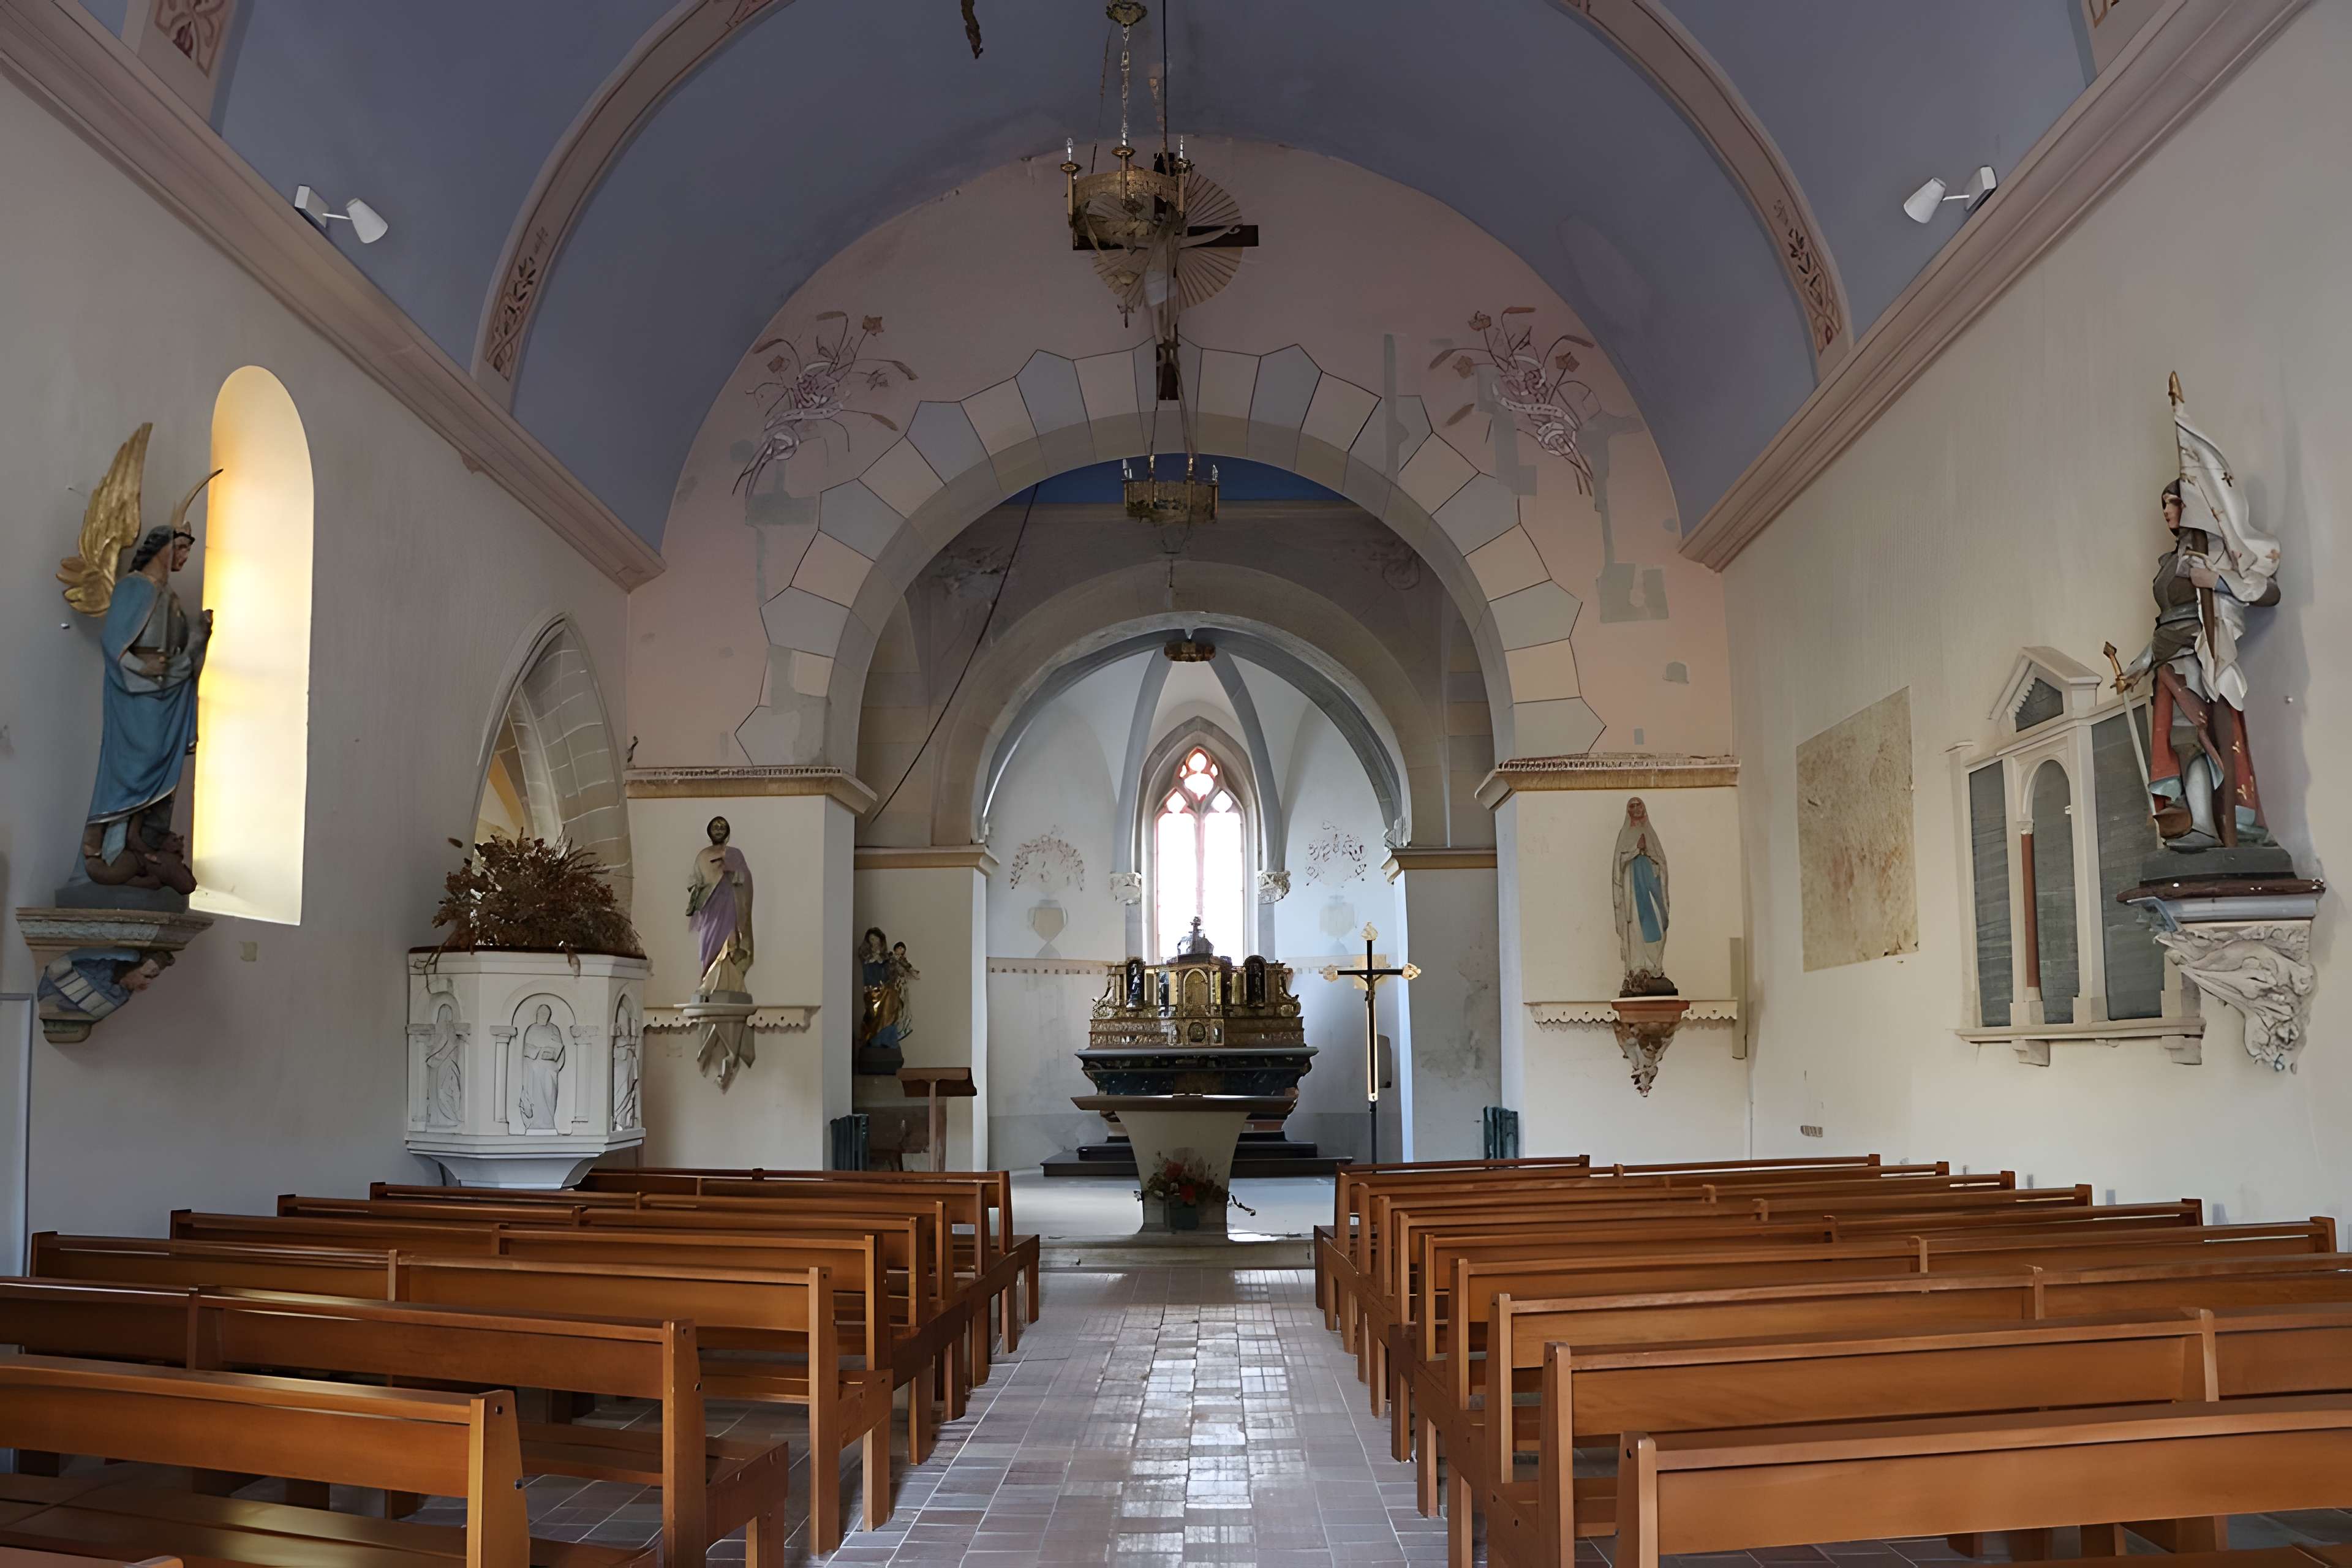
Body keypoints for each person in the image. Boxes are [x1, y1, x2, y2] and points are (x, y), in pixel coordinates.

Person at [2116, 389, 2281, 850]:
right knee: (2173, 743)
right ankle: (2190, 820)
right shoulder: (2168, 563)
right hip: (2168, 660)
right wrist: (2139, 663)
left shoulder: (2210, 555)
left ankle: (2207, 824)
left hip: (2200, 653)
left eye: (2172, 502)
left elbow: (2268, 590)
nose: (2167, 511)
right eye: (2165, 505)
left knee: (2194, 737)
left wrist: (2219, 582)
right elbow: (2164, 621)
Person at [84, 524, 209, 891]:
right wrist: (142, 667)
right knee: (139, 763)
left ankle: (142, 843)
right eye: (181, 548)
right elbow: (114, 644)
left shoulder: (169, 597)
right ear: (161, 547)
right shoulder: (133, 587)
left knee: (161, 764)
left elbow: (183, 650)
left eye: (188, 550)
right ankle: (109, 844)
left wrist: (201, 634)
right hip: (137, 693)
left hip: (169, 690)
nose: (185, 557)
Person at [687, 816, 755, 995]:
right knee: (708, 942)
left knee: (731, 940)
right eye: (715, 827)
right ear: (709, 831)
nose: (718, 829)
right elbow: (693, 882)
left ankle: (729, 983)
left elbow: (745, 878)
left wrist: (733, 870)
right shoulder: (703, 856)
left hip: (730, 904)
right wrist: (700, 888)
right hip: (711, 908)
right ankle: (707, 981)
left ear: (727, 832)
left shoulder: (735, 854)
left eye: (722, 827)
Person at [1612, 797, 1673, 993]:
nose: (1637, 809)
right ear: (1628, 810)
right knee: (1636, 929)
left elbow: (1661, 863)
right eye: (1632, 806)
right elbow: (1618, 865)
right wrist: (1635, 850)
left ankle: (1655, 967)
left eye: (1639, 805)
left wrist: (1648, 852)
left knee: (1656, 923)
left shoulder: (1651, 834)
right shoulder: (1625, 835)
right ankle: (1637, 968)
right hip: (1633, 893)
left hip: (1651, 889)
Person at [518, 1003, 565, 1129]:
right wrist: (539, 1051)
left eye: (546, 1014)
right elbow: (526, 1049)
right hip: (535, 1067)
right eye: (542, 1013)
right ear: (537, 1014)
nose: (544, 1016)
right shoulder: (532, 1029)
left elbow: (560, 1047)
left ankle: (549, 1123)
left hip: (550, 1068)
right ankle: (536, 1123)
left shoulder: (554, 1029)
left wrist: (552, 1053)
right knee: (537, 1096)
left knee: (550, 1096)